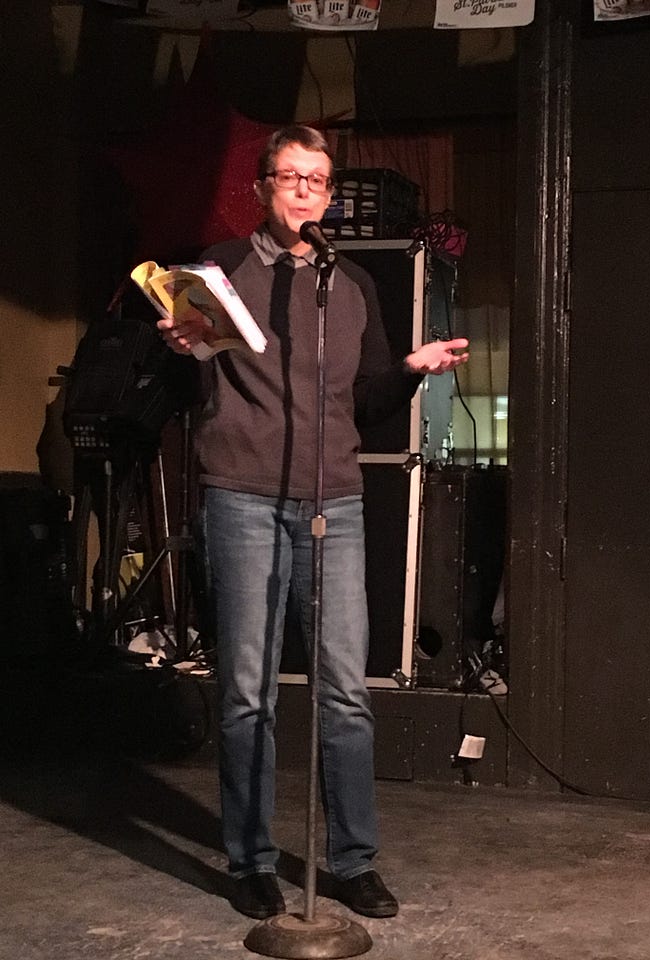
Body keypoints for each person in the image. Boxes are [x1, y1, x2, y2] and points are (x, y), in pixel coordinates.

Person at [157, 124, 469, 921]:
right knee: (247, 693)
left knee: (345, 693)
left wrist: (408, 370)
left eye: (318, 179)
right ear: (262, 188)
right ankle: (252, 861)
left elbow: (364, 401)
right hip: (244, 496)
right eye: (289, 176)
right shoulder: (219, 269)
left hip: (335, 502)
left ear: (330, 195)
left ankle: (354, 862)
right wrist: (180, 346)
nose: (304, 190)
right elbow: (175, 369)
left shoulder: (350, 282)